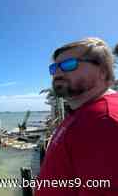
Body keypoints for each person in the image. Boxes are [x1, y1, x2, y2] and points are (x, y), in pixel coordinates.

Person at [35, 38, 118, 195]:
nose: (58, 73)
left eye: (69, 64)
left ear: (102, 71)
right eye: (54, 67)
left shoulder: (104, 121)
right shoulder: (84, 112)